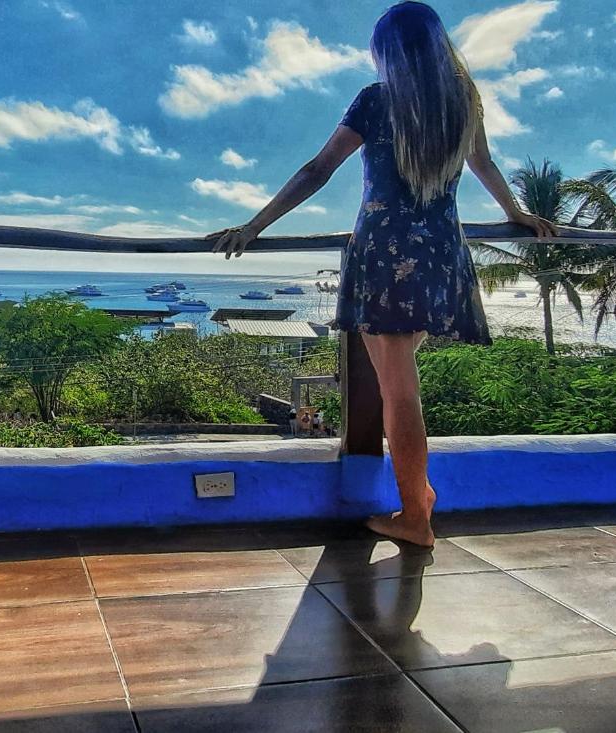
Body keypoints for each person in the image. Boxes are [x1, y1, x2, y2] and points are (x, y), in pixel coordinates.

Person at [208, 1, 557, 547]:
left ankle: (415, 515)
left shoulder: (376, 101)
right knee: (401, 382)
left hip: (386, 257)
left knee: (398, 392)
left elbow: (318, 170)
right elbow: (483, 165)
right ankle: (417, 493)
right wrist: (515, 215)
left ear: (389, 54)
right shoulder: (462, 102)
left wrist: (255, 225)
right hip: (441, 253)